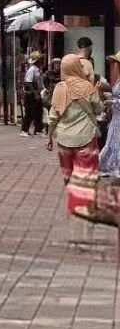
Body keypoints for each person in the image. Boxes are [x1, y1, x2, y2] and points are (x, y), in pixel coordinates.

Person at [47, 53, 103, 218]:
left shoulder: (59, 88)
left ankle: (74, 202)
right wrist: (97, 91)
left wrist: (49, 137)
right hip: (86, 136)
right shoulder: (88, 87)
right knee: (87, 172)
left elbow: (53, 116)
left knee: (68, 173)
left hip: (64, 138)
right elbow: (99, 109)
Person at [21, 51, 46, 136]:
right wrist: (35, 94)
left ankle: (38, 129)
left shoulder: (38, 69)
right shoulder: (32, 70)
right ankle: (24, 130)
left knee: (38, 112)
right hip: (31, 94)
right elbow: (28, 83)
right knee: (29, 113)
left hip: (37, 93)